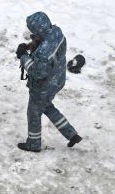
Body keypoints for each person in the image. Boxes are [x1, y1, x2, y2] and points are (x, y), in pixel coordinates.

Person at [17, 11, 82, 152]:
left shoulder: (43, 54)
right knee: (46, 106)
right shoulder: (57, 33)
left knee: (34, 112)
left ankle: (33, 144)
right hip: (57, 80)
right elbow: (47, 46)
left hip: (43, 87)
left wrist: (23, 56)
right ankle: (71, 134)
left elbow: (37, 71)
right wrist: (30, 46)